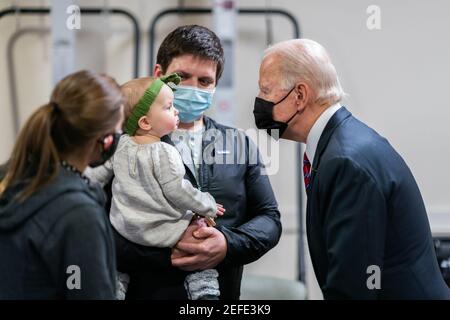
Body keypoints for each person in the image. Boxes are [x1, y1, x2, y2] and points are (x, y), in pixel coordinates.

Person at [254, 38, 450, 299]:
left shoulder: (346, 162)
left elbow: (353, 286)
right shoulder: (341, 144)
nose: (259, 101)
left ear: (300, 95)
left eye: (266, 90)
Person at [109, 25, 282, 299]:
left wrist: (227, 244)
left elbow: (269, 219)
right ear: (158, 75)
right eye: (182, 77)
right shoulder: (124, 145)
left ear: (215, 85)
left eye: (204, 81)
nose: (192, 88)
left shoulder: (239, 143)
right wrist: (168, 251)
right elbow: (97, 226)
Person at [85, 73, 226, 300]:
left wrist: (80, 181)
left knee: (118, 264)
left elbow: (97, 174)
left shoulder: (121, 145)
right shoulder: (165, 152)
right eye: (169, 107)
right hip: (162, 230)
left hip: (126, 228)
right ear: (145, 122)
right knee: (198, 225)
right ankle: (203, 283)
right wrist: (207, 204)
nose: (176, 110)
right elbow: (178, 191)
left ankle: (116, 285)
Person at [0, 70, 124, 299]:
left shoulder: (14, 175)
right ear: (104, 139)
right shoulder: (78, 215)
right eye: (118, 132)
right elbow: (86, 291)